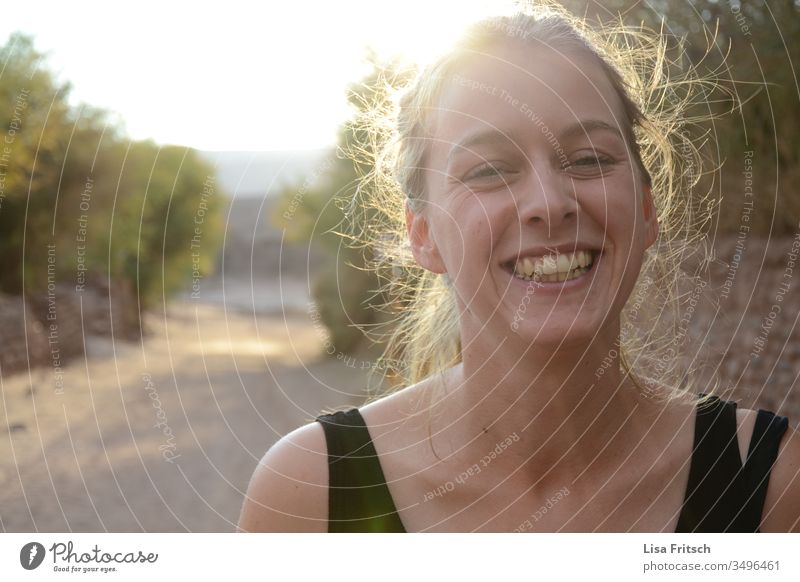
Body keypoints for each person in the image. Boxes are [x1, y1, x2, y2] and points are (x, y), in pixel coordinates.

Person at [238, 5, 799, 532]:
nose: (548, 202)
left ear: (647, 210)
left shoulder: (774, 486)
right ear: (424, 235)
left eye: (589, 159)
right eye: (488, 170)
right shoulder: (311, 497)